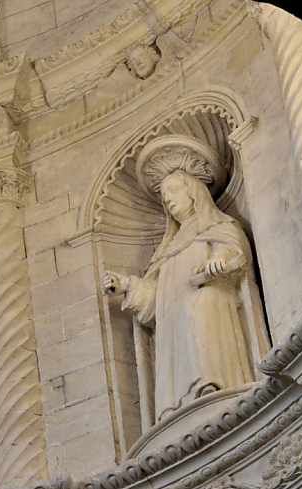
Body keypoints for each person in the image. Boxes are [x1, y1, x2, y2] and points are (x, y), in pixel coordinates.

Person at [102, 139, 269, 422]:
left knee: (199, 309)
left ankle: (214, 386)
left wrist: (221, 258)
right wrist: (129, 286)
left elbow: (234, 250)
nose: (167, 199)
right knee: (178, 320)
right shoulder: (166, 249)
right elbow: (157, 300)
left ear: (194, 193)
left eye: (173, 191)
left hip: (212, 300)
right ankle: (177, 406)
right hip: (173, 320)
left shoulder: (218, 225)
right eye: (164, 195)